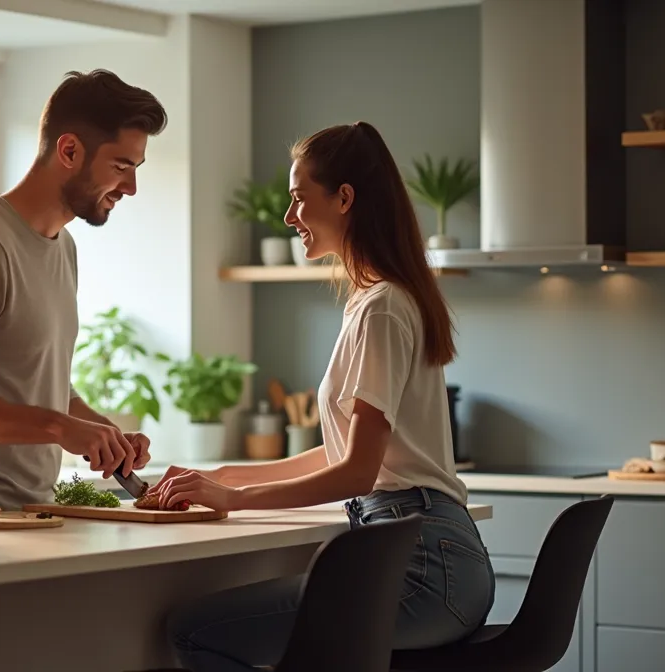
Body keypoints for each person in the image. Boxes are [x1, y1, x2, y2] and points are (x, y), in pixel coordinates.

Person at [151, 121, 496, 670]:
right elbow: (343, 454)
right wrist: (225, 476)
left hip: (425, 573)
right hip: (435, 559)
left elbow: (357, 474)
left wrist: (234, 499)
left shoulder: (382, 308)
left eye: (298, 198)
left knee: (195, 630)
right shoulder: (379, 300)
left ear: (344, 198)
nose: (290, 217)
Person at [0, 69, 168, 514]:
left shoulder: (63, 248)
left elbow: (37, 384)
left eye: (135, 170)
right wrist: (59, 427)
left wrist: (102, 433)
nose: (131, 188)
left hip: (33, 517)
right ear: (69, 150)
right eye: (121, 167)